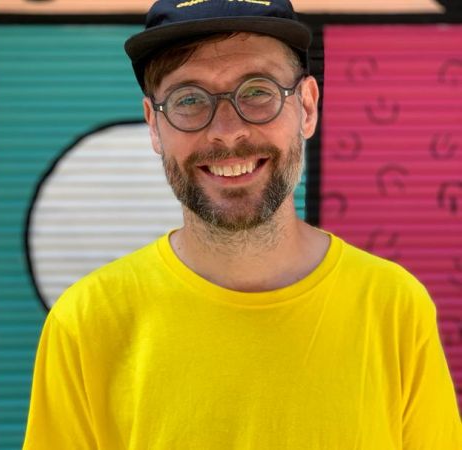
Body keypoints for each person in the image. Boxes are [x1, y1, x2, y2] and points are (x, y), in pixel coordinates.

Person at [23, 1, 461, 448]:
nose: (227, 132)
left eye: (257, 91)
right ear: (154, 125)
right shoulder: (87, 323)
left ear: (306, 107)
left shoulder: (393, 307)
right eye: (189, 99)